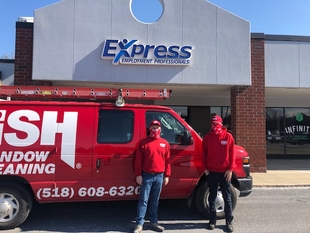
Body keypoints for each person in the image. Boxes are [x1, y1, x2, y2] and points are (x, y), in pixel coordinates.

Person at [133, 120, 171, 233]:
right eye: (153, 127)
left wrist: (167, 175)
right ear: (150, 129)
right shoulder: (143, 142)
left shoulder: (165, 143)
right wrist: (138, 175)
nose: (155, 129)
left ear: (160, 129)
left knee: (155, 200)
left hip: (159, 176)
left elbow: (167, 161)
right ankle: (139, 224)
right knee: (143, 200)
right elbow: (138, 160)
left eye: (157, 127)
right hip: (146, 176)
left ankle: (153, 222)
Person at [202, 115, 236, 232]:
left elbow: (233, 154)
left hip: (225, 173)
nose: (215, 126)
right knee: (212, 197)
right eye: (213, 124)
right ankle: (212, 221)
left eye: (217, 124)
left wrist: (230, 169)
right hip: (211, 172)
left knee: (227, 198)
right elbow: (203, 154)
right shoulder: (207, 138)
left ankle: (229, 222)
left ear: (221, 125)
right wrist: (205, 168)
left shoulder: (228, 137)